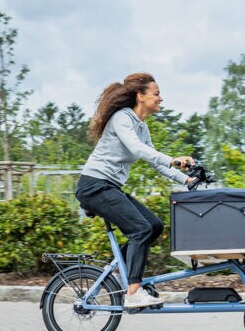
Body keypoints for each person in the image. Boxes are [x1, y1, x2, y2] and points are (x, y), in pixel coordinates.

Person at [75, 73, 195, 309]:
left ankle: (119, 271)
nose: (161, 98)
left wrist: (187, 180)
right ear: (141, 96)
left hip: (108, 187)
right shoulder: (123, 118)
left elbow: (156, 163)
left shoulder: (142, 127)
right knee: (140, 229)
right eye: (157, 93)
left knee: (154, 226)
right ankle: (133, 292)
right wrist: (173, 159)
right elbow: (137, 149)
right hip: (94, 185)